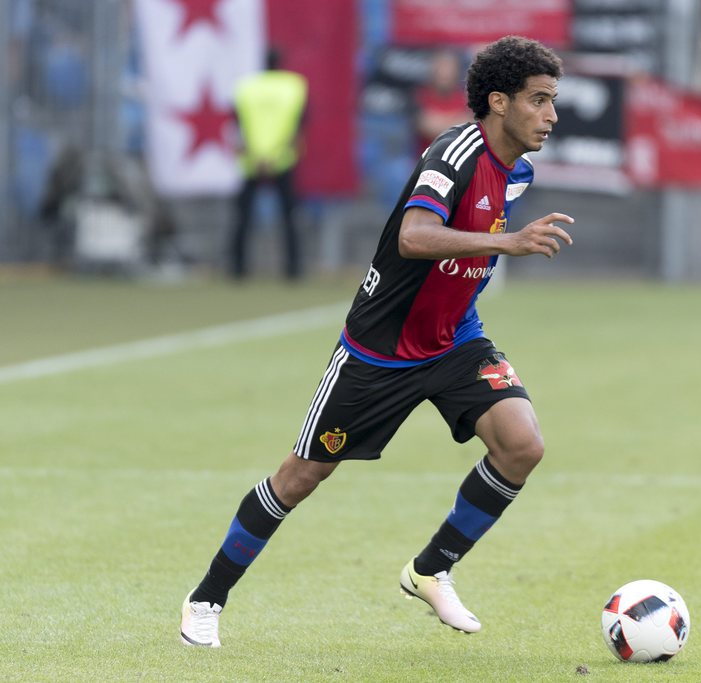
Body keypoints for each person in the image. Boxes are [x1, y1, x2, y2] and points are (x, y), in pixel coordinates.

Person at [180, 35, 572, 647]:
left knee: (522, 445)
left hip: (453, 342)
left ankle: (431, 570)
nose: (552, 115)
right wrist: (508, 242)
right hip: (378, 351)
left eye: (554, 101)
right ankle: (206, 599)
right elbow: (415, 237)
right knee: (301, 477)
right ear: (498, 101)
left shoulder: (517, 171)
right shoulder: (455, 152)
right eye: (540, 100)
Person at [230, 47, 308, 280]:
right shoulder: (293, 86)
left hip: (251, 160)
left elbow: (236, 123)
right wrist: (279, 152)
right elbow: (300, 122)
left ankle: (237, 269)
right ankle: (293, 270)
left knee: (243, 218)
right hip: (283, 158)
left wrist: (255, 154)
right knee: (289, 216)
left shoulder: (246, 87)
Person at [413, 48, 472, 153]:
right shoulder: (420, 95)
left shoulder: (466, 97)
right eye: (441, 67)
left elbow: (471, 127)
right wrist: (457, 120)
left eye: (449, 68)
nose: (445, 73)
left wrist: (441, 121)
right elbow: (427, 127)